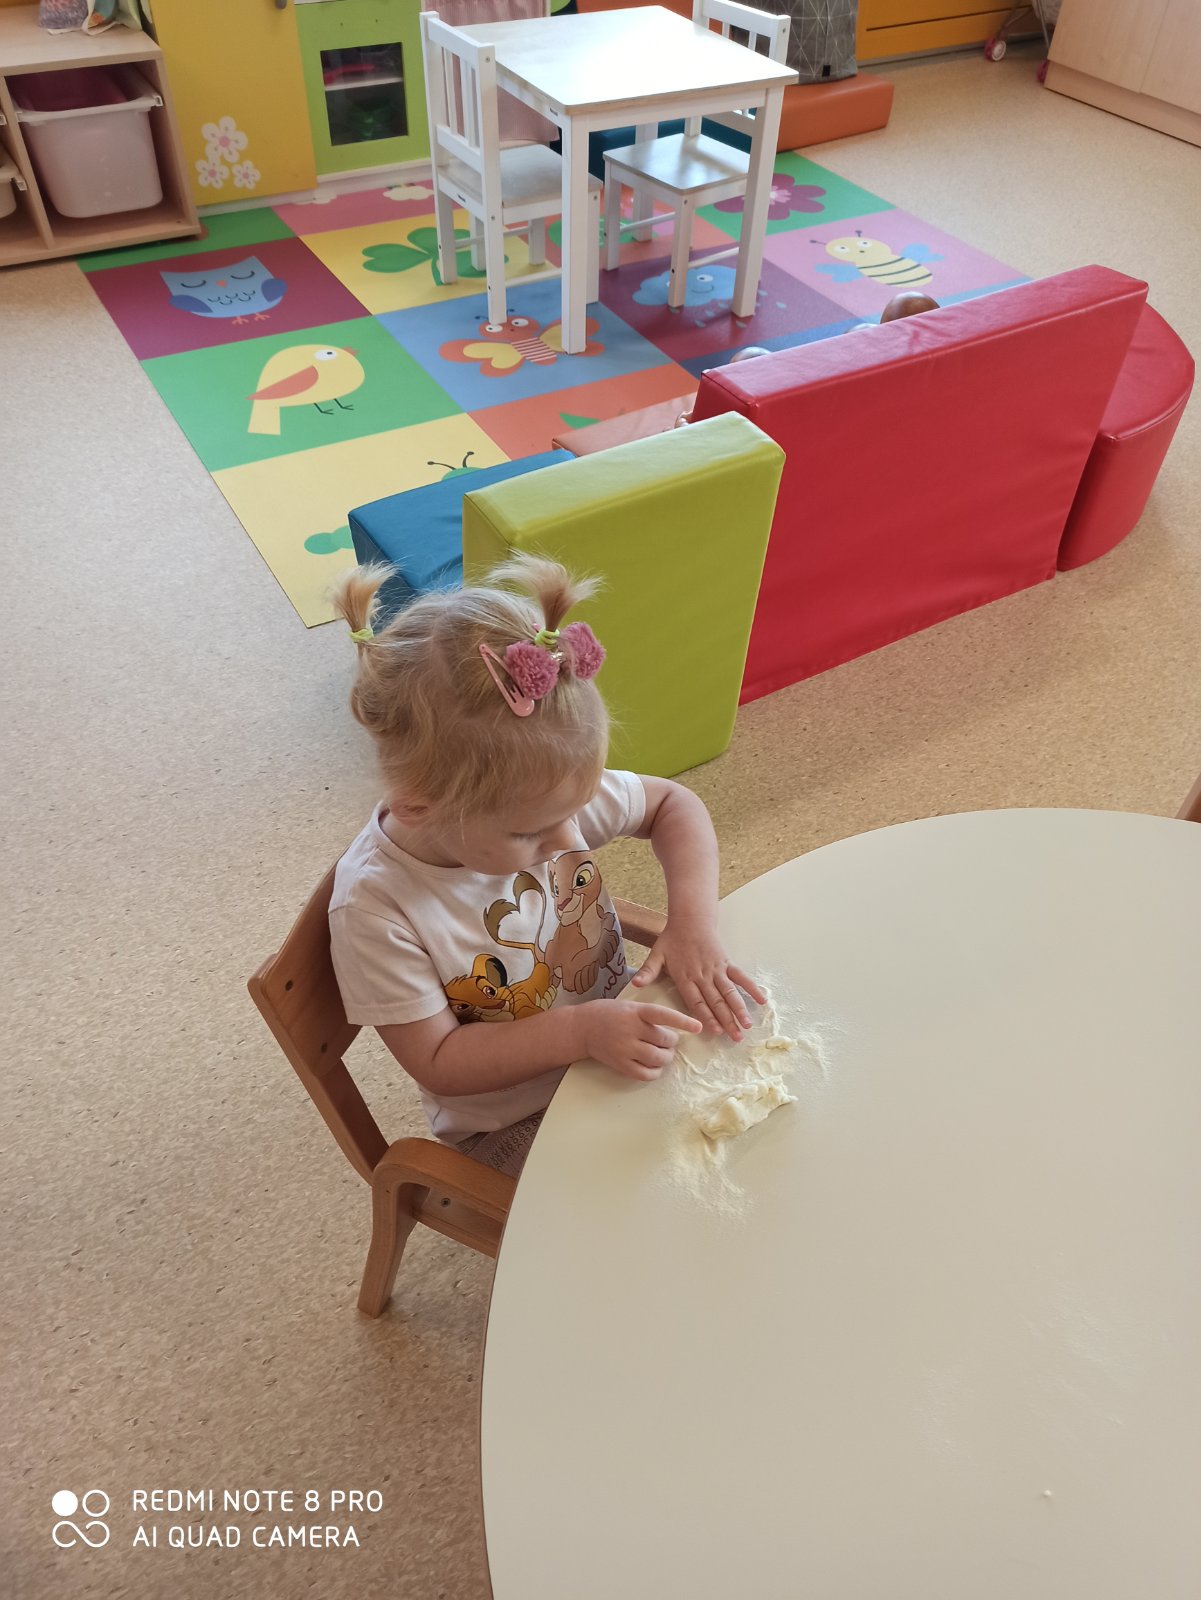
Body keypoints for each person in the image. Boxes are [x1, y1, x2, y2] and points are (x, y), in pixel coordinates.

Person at [328, 553, 766, 1177]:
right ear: (419, 807)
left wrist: (692, 922)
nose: (567, 840)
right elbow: (439, 1060)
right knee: (661, 1191)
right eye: (529, 833)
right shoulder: (375, 910)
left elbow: (675, 805)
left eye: (575, 812)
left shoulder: (538, 793)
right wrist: (580, 1034)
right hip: (513, 1119)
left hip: (616, 1029)